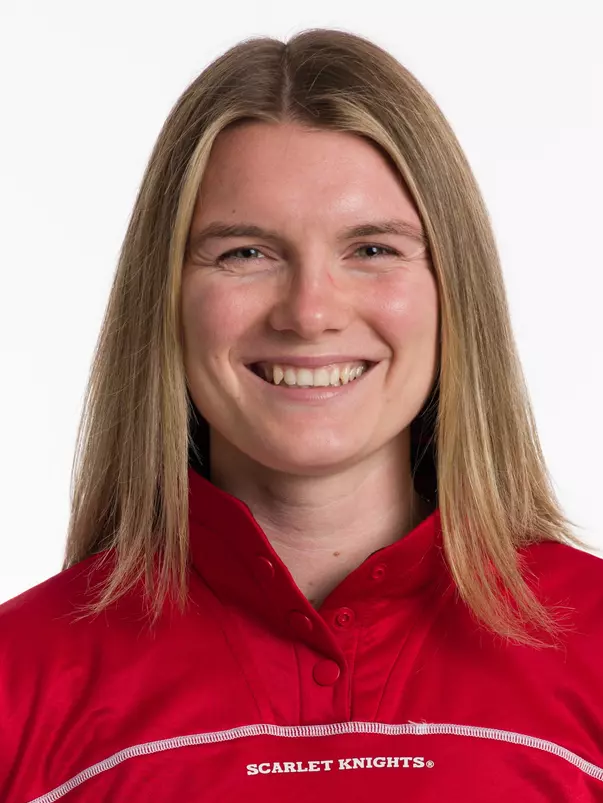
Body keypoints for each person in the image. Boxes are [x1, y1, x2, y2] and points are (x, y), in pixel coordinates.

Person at [1, 27, 602, 803]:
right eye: (245, 253)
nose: (310, 312)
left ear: (455, 291)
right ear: (166, 298)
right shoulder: (18, 680)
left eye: (372, 249)